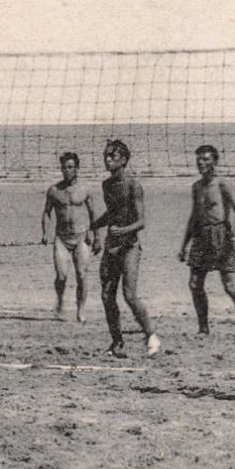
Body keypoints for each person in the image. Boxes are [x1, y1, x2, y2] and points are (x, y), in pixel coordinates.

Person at [90, 140, 160, 358]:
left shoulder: (133, 185)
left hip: (130, 246)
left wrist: (124, 230)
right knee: (106, 296)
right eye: (105, 156)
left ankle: (152, 336)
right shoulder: (106, 185)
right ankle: (117, 342)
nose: (108, 159)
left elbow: (141, 222)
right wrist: (93, 227)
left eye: (112, 156)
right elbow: (112, 213)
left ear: (123, 160)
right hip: (112, 246)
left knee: (129, 294)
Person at [179, 144, 235, 341]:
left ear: (215, 161)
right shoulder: (196, 187)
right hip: (200, 236)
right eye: (199, 159)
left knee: (229, 284)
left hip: (221, 235)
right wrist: (184, 245)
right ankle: (203, 328)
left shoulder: (222, 184)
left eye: (205, 159)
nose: (201, 163)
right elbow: (194, 216)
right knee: (195, 284)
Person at [40, 151, 99, 321]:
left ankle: (81, 310)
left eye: (70, 167)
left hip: (81, 237)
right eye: (64, 167)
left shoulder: (85, 189)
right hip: (61, 239)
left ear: (77, 168)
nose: (67, 170)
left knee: (81, 274)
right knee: (61, 276)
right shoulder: (54, 190)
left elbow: (93, 214)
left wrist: (97, 237)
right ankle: (59, 300)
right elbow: (47, 212)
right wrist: (45, 232)